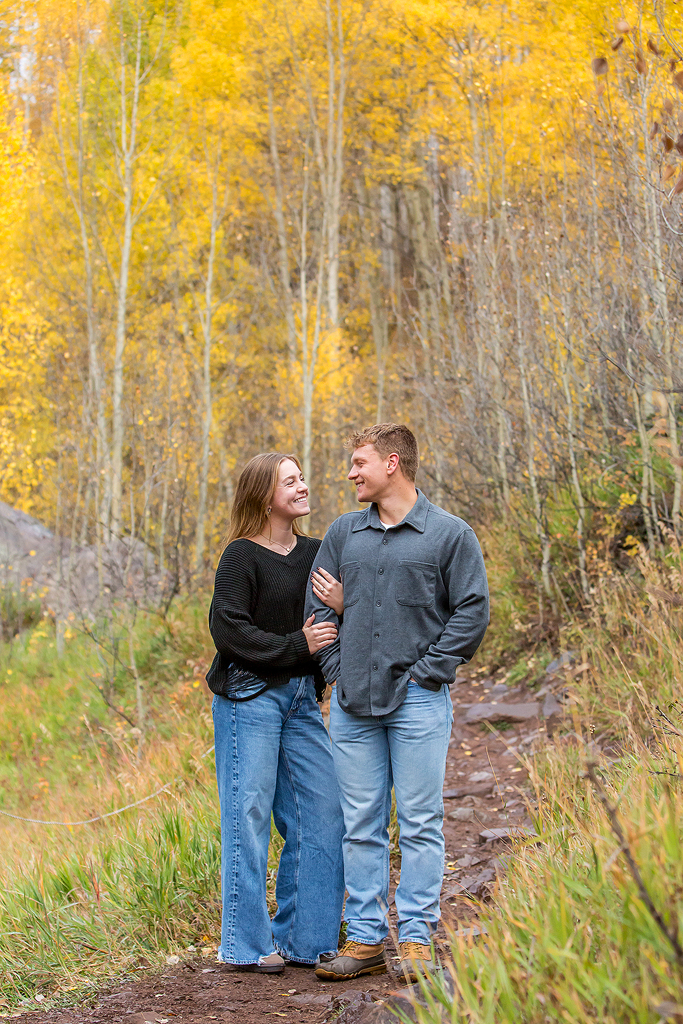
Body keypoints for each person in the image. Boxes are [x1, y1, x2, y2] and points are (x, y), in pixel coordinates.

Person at [305, 423, 489, 984]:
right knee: (360, 825)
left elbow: (471, 612)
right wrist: (336, 672)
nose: (350, 472)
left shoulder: (449, 535)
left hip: (417, 704)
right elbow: (319, 613)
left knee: (420, 821)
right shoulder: (342, 534)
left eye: (359, 462)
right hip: (353, 707)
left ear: (392, 463)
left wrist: (426, 676)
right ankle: (363, 939)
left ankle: (414, 939)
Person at [207, 452, 346, 974]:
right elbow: (230, 632)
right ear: (265, 494)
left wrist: (344, 602)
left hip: (300, 702)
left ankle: (306, 941)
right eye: (291, 481)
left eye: (303, 477)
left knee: (325, 812)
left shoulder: (316, 552)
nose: (303, 486)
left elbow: (334, 620)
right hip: (249, 700)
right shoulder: (240, 555)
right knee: (248, 817)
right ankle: (243, 944)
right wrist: (299, 644)